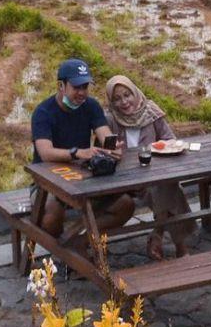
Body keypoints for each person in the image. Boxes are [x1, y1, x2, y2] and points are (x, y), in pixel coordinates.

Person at [31, 58, 134, 243]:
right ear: (61, 86)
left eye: (85, 87)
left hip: (83, 178)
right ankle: (63, 249)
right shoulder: (43, 113)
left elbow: (105, 135)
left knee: (125, 205)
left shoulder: (91, 106)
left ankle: (78, 243)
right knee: (52, 216)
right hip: (47, 181)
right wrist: (77, 152)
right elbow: (45, 153)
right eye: (76, 87)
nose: (82, 93)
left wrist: (113, 148)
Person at [105, 74, 192, 259]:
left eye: (127, 95)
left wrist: (159, 150)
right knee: (169, 188)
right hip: (125, 181)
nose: (124, 102)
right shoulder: (110, 120)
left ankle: (159, 236)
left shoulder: (151, 112)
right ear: (112, 102)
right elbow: (106, 151)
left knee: (166, 187)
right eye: (117, 98)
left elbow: (170, 140)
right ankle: (176, 243)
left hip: (153, 176)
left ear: (134, 92)